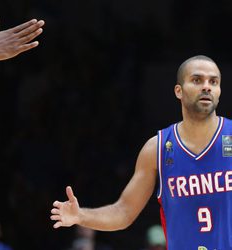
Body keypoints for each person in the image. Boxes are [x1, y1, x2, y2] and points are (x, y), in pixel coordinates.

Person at [51, 55, 231, 249]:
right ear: (179, 91)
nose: (206, 87)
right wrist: (80, 216)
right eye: (197, 80)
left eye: (213, 81)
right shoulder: (157, 149)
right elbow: (124, 212)